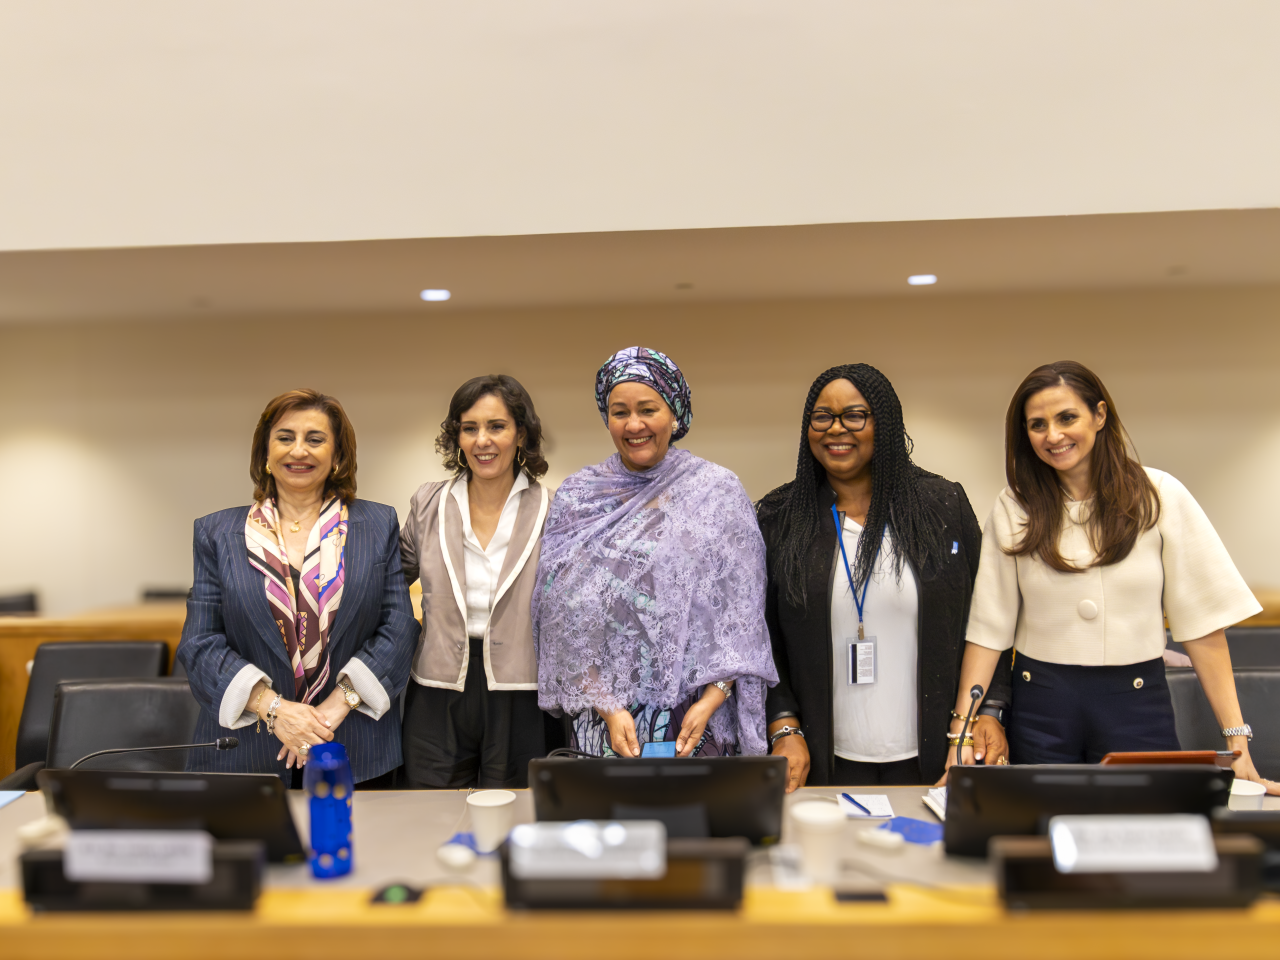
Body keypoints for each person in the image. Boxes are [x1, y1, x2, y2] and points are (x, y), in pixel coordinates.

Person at [954, 361, 1277, 791]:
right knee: (1047, 837)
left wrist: (1237, 745)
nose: (1053, 435)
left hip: (1137, 705)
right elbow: (988, 630)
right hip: (1041, 708)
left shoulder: (1159, 495)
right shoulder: (1015, 506)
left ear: (1100, 415)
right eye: (1037, 424)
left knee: (1145, 839)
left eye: (1067, 417)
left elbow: (1202, 629)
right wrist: (959, 739)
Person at [757, 364, 1013, 791]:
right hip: (821, 757)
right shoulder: (780, 518)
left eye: (855, 415)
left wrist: (988, 711)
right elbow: (761, 636)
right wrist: (784, 725)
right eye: (822, 417)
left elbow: (989, 616)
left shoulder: (942, 506)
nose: (836, 429)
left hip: (939, 753)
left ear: (885, 424)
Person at [533, 347, 777, 758]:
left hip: (693, 716)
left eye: (648, 409)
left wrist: (712, 699)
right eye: (620, 412)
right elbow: (560, 618)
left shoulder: (717, 492)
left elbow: (743, 611)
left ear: (675, 413)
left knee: (696, 821)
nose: (634, 425)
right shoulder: (578, 497)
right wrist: (609, 709)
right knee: (609, 821)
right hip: (604, 721)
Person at [178, 389, 418, 786]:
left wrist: (325, 715)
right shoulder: (217, 532)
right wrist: (274, 710)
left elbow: (397, 627)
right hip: (247, 753)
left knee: (358, 848)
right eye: (285, 438)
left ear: (338, 456)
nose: (299, 451)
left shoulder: (378, 525)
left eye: (315, 439)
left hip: (352, 745)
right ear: (266, 455)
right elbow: (200, 642)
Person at [399, 375, 553, 788]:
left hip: (522, 689)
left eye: (496, 427)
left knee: (516, 814)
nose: (482, 440)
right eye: (470, 428)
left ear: (521, 434)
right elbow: (387, 585)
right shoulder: (428, 503)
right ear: (457, 438)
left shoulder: (554, 509)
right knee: (428, 814)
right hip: (437, 686)